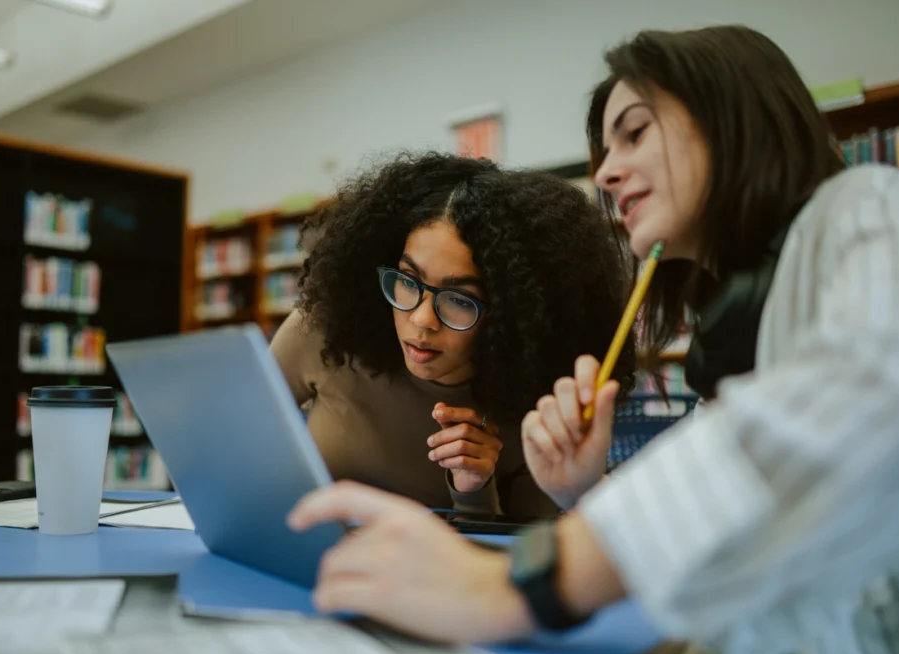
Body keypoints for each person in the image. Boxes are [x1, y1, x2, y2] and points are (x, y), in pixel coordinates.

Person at [285, 25, 899, 654]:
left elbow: (861, 401)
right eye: (605, 147)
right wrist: (585, 490)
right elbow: (733, 540)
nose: (606, 171)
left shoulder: (878, 206)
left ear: (731, 122)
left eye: (635, 132)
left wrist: (519, 585)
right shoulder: (751, 320)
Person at [271, 151, 636, 519]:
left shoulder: (537, 412)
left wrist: (474, 489)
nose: (422, 318)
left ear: (512, 313)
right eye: (407, 280)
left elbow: (510, 563)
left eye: (460, 299)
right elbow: (235, 443)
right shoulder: (327, 330)